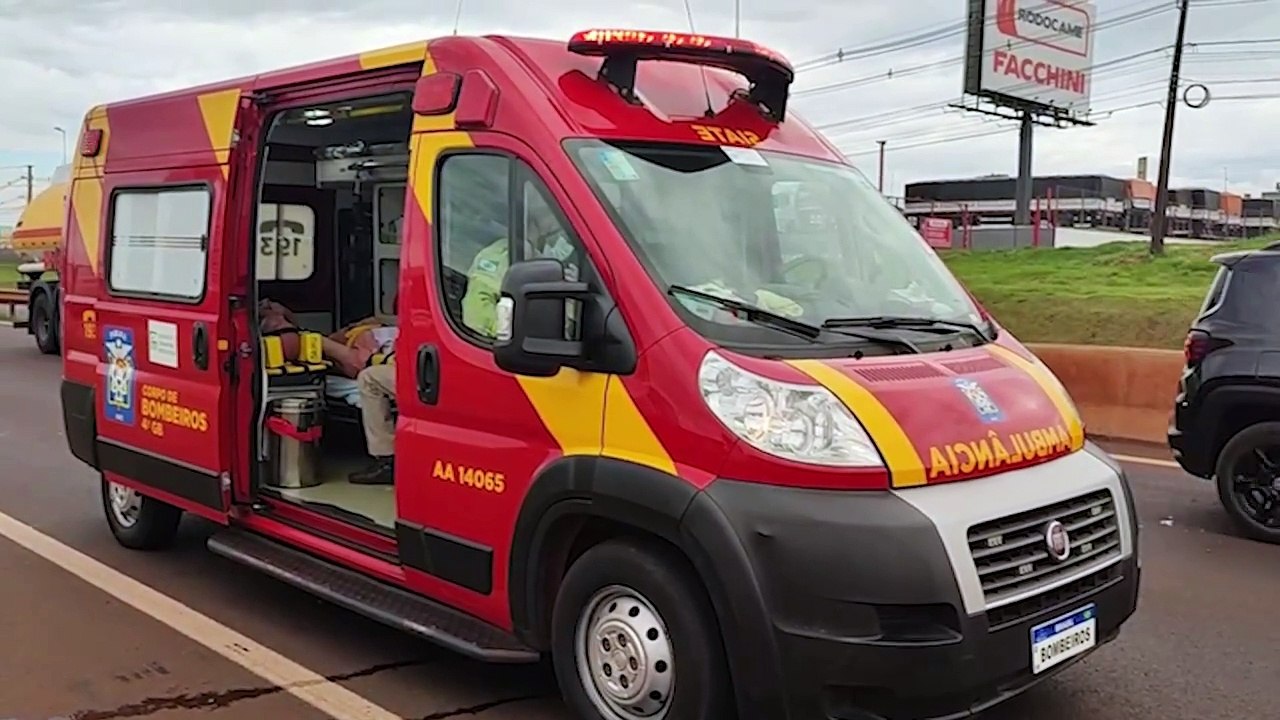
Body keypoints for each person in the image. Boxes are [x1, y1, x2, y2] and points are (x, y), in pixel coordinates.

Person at [461, 200, 578, 338]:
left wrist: (573, 298)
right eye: (554, 213)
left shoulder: (546, 259)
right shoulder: (500, 255)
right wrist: (522, 333)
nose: (561, 224)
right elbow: (475, 314)